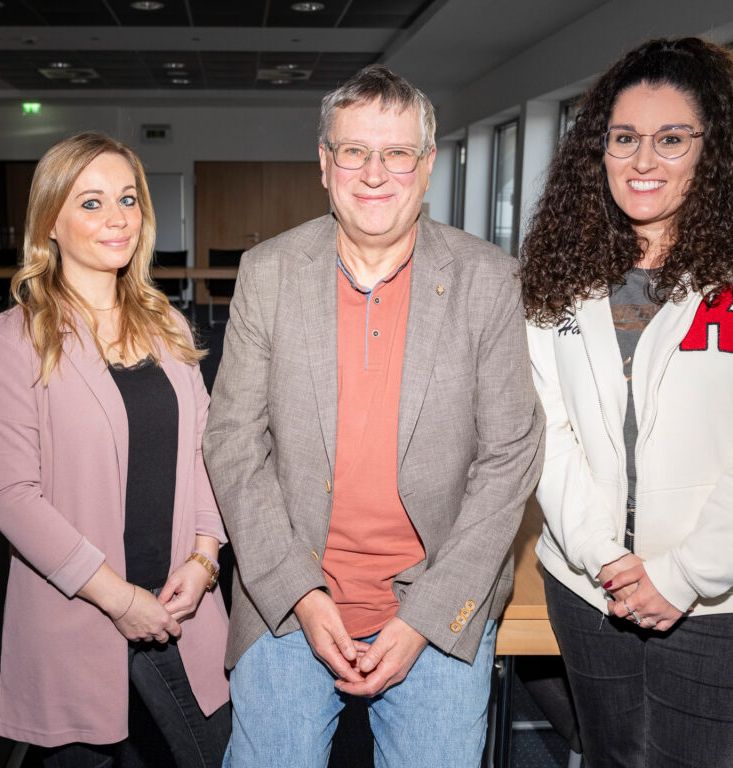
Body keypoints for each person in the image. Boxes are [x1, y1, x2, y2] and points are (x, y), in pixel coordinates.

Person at [202, 65, 544, 767]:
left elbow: (510, 455)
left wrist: (424, 619)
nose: (374, 172)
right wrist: (300, 594)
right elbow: (232, 441)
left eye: (397, 153)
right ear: (325, 164)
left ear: (427, 166)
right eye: (354, 151)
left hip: (436, 598)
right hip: (289, 599)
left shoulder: (488, 279)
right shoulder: (268, 272)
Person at [521, 37, 733, 768]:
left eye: (671, 139)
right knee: (608, 757)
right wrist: (603, 558)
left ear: (712, 149)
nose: (643, 160)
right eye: (624, 138)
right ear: (599, 149)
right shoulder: (562, 267)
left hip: (724, 597)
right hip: (588, 584)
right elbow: (546, 430)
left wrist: (682, 576)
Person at [0, 131, 231, 767]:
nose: (117, 218)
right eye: (90, 203)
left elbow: (205, 452)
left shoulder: (166, 323)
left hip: (180, 606)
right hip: (83, 611)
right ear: (50, 222)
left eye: (128, 199)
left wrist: (204, 559)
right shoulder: (14, 341)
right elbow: (11, 497)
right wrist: (119, 598)